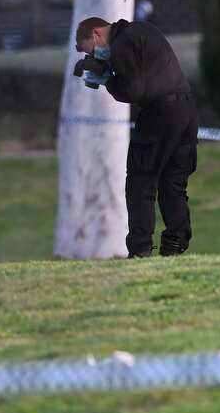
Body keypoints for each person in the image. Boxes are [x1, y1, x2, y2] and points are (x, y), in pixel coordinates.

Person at [75, 15, 197, 257]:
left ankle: (140, 249)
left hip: (160, 113)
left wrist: (108, 80)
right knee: (173, 182)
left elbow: (133, 90)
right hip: (186, 109)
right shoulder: (142, 30)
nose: (97, 56)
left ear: (97, 33)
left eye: (94, 50)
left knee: (140, 181)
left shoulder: (121, 43)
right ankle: (175, 244)